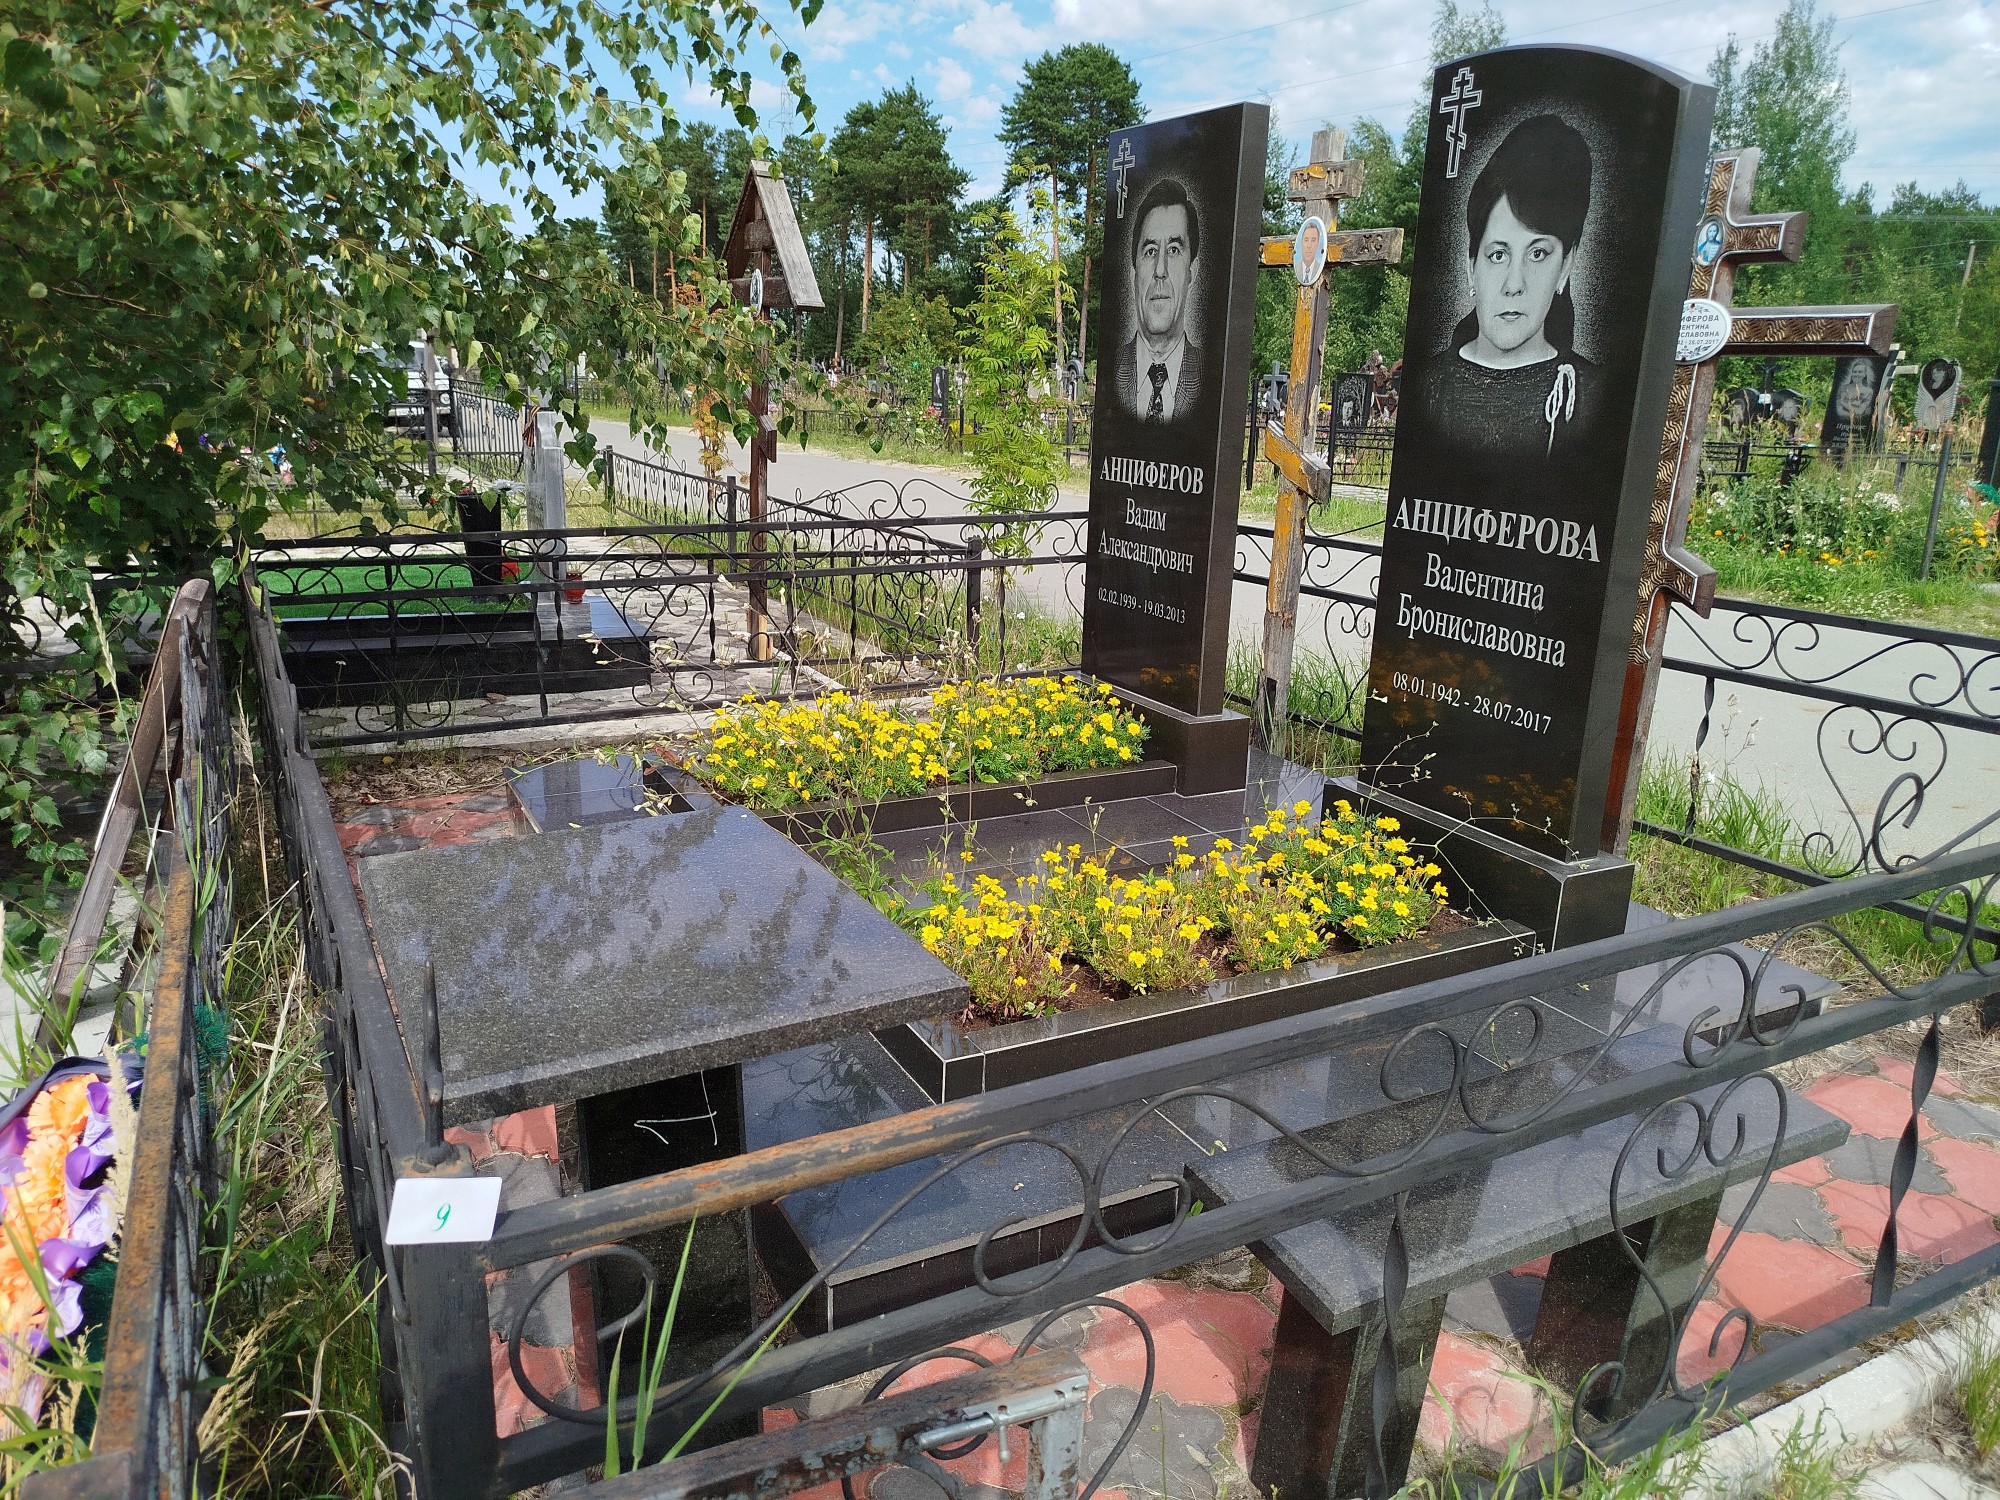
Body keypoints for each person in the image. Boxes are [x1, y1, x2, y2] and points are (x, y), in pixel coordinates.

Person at [1411, 115, 1598, 465]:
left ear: (1566, 266)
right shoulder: (1426, 387)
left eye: (1538, 254)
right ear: (1471, 267)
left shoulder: (1592, 396)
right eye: (1498, 255)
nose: (1514, 285)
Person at [1111, 178, 1204, 424]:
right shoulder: (1110, 371)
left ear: (1192, 271)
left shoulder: (1211, 376)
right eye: (1150, 251)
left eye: (1174, 250)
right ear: (1133, 274)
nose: (1160, 270)